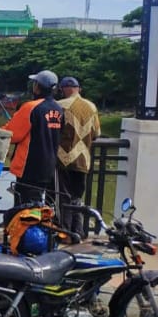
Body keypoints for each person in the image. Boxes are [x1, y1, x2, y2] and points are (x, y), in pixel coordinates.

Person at [3, 70, 65, 206]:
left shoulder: (30, 107)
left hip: (29, 166)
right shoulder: (58, 109)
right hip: (49, 165)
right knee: (38, 205)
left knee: (24, 209)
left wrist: (5, 126)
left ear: (37, 86)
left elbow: (12, 134)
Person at [56, 76, 101, 238]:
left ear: (65, 89)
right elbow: (96, 133)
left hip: (64, 158)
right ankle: (79, 231)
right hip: (84, 159)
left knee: (64, 197)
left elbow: (54, 131)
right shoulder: (91, 106)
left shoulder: (60, 106)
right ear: (78, 88)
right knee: (77, 197)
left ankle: (66, 232)